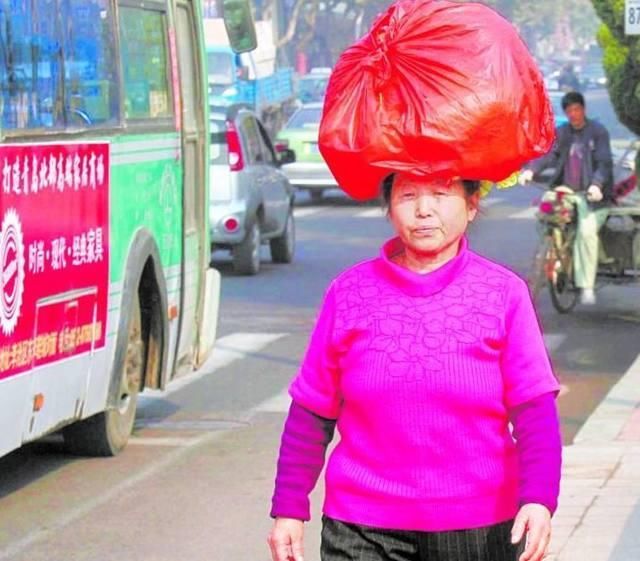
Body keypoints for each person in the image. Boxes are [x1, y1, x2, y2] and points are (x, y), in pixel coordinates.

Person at [268, 173, 562, 561]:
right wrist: (289, 508)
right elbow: (311, 411)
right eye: (408, 196)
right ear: (389, 209)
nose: (424, 210)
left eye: (441, 194)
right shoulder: (349, 292)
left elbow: (534, 411)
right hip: (361, 525)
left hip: (480, 527)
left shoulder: (503, 294)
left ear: (472, 205)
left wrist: (539, 499)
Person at [520, 91, 614, 305]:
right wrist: (530, 171)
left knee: (586, 232)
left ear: (584, 109)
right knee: (546, 209)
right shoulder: (563, 133)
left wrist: (597, 185)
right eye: (569, 111)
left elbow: (604, 163)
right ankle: (552, 250)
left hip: (592, 196)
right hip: (567, 191)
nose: (574, 114)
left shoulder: (598, 132)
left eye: (577, 109)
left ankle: (586, 284)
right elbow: (549, 155)